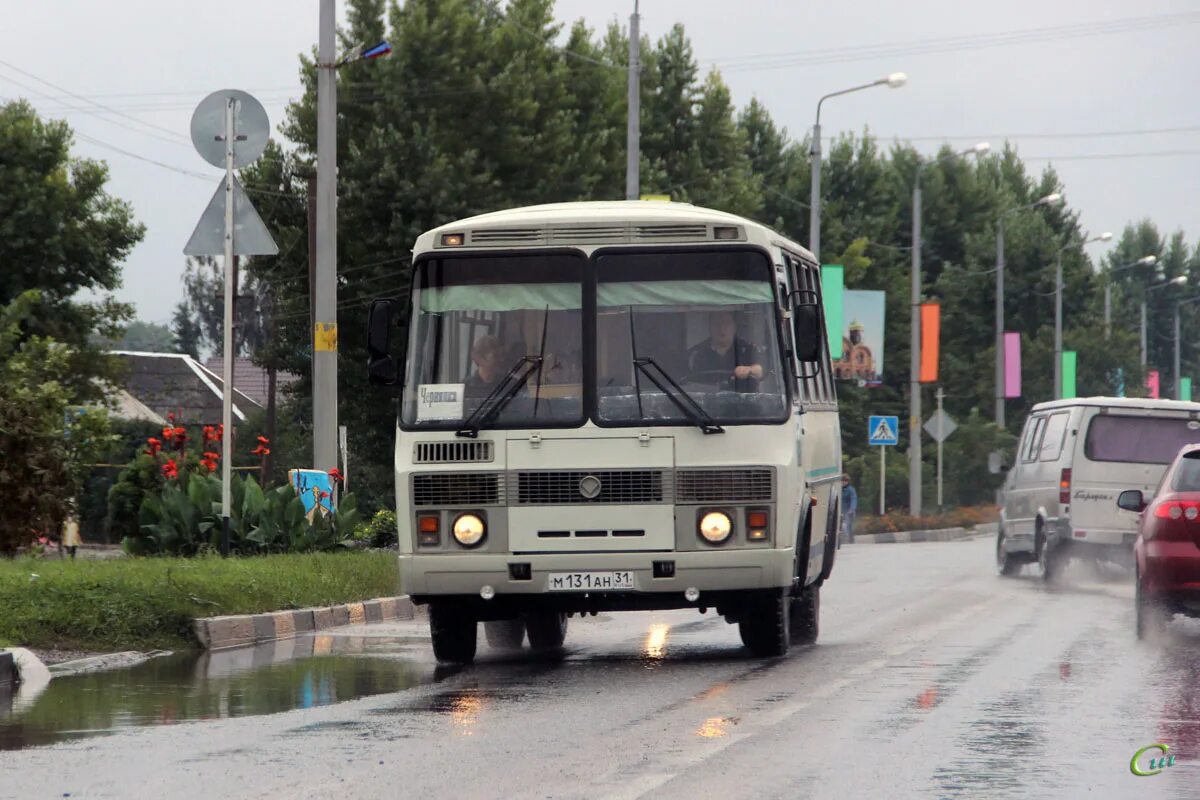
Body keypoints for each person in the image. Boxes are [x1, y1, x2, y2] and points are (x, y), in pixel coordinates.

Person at [686, 310, 765, 391]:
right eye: (716, 323)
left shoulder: (747, 349)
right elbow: (688, 382)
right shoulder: (697, 353)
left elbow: (760, 371)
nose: (721, 328)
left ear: (734, 327)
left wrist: (749, 370)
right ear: (709, 327)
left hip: (744, 400)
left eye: (726, 323)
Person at [840, 474, 858, 545]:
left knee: (848, 525)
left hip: (849, 512)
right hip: (841, 511)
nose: (843, 482)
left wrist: (852, 509)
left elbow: (854, 499)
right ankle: (844, 538)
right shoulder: (839, 489)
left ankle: (850, 538)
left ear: (848, 482)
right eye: (842, 481)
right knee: (842, 525)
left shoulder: (851, 490)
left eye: (845, 481)